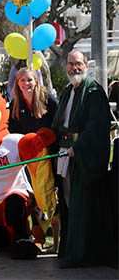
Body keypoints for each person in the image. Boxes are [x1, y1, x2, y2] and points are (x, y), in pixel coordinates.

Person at [51, 50, 118, 268]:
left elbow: (96, 127)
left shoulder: (93, 92)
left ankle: (81, 255)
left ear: (86, 66)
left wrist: (78, 148)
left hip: (81, 157)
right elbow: (59, 123)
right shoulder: (67, 91)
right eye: (70, 64)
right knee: (69, 204)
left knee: (82, 206)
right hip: (65, 156)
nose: (74, 68)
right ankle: (70, 250)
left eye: (78, 64)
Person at [8, 67, 59, 253]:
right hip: (29, 160)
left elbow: (58, 125)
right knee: (34, 199)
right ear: (17, 84)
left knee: (52, 197)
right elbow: (12, 133)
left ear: (36, 81)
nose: (26, 84)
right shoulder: (15, 104)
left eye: (29, 80)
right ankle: (39, 238)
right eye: (22, 81)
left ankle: (56, 242)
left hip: (49, 157)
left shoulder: (48, 100)